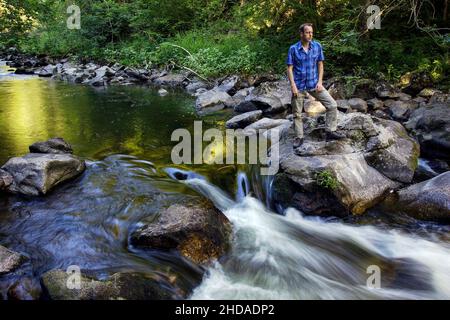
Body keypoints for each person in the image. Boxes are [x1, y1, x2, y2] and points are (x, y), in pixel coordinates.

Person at [286, 23, 345, 148]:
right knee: (297, 113)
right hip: (299, 85)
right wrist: (293, 85)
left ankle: (330, 131)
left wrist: (320, 82)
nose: (310, 35)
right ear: (301, 33)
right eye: (307, 32)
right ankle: (299, 137)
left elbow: (320, 65)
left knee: (332, 105)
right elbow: (289, 68)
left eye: (311, 32)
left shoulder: (317, 46)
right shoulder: (293, 49)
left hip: (314, 84)